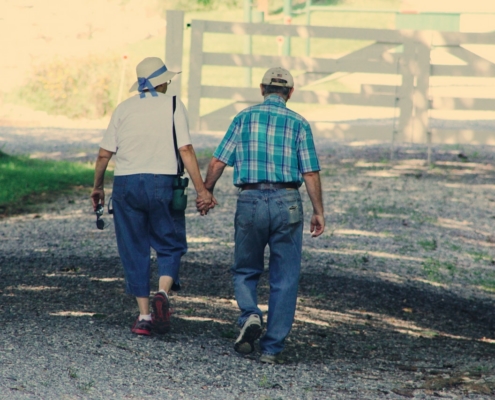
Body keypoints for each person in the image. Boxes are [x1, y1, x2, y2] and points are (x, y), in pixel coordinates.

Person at [200, 67, 325, 364]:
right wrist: (318, 211)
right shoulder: (299, 123)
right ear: (290, 93)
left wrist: (206, 192)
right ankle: (271, 349)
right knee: (286, 276)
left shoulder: (243, 118)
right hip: (288, 201)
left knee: (245, 268)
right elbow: (309, 171)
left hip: (251, 199)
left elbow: (219, 160)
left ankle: (250, 314)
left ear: (261, 89)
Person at [91, 57, 215, 336]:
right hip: (163, 182)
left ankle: (145, 316)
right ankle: (163, 292)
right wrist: (202, 190)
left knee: (133, 248)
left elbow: (103, 154)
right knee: (169, 243)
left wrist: (97, 186)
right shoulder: (172, 105)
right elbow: (185, 149)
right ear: (161, 82)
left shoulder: (123, 108)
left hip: (126, 184)